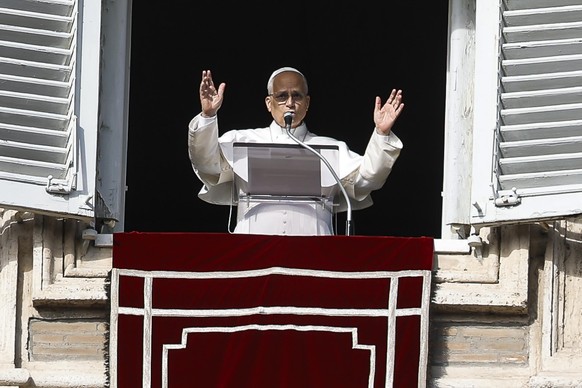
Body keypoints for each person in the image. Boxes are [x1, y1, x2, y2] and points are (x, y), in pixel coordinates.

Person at [188, 66, 404, 236]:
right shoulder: (242, 141)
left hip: (314, 252)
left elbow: (366, 180)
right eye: (282, 96)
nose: (290, 103)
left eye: (297, 96)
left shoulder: (330, 148)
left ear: (307, 102)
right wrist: (208, 116)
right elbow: (207, 165)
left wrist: (381, 135)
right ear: (268, 102)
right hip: (253, 249)